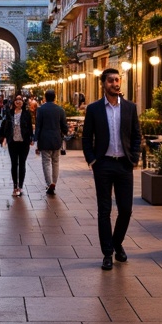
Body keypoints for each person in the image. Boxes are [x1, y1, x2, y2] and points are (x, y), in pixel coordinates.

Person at [81, 67, 141, 270]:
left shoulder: (130, 107)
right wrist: (92, 159)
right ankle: (107, 253)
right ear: (103, 84)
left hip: (124, 165)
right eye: (111, 81)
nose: (115, 84)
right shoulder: (94, 109)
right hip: (103, 164)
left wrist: (134, 158)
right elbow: (87, 137)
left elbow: (136, 135)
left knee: (125, 209)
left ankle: (117, 242)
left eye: (117, 80)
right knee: (104, 210)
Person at [0, 93, 34, 197]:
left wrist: (31, 138)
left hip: (24, 142)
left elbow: (30, 127)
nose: (18, 101)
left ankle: (20, 186)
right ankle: (14, 186)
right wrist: (3, 138)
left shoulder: (26, 114)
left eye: (20, 99)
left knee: (22, 163)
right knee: (14, 164)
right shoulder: (9, 113)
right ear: (14, 102)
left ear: (23, 102)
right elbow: (5, 125)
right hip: (12, 141)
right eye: (16, 100)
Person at [34, 88, 68, 196]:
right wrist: (65, 132)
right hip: (56, 139)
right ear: (55, 97)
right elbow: (64, 126)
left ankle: (49, 184)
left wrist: (35, 139)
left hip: (44, 139)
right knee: (56, 162)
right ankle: (54, 182)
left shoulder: (41, 109)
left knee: (46, 162)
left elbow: (38, 126)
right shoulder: (60, 110)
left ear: (45, 97)